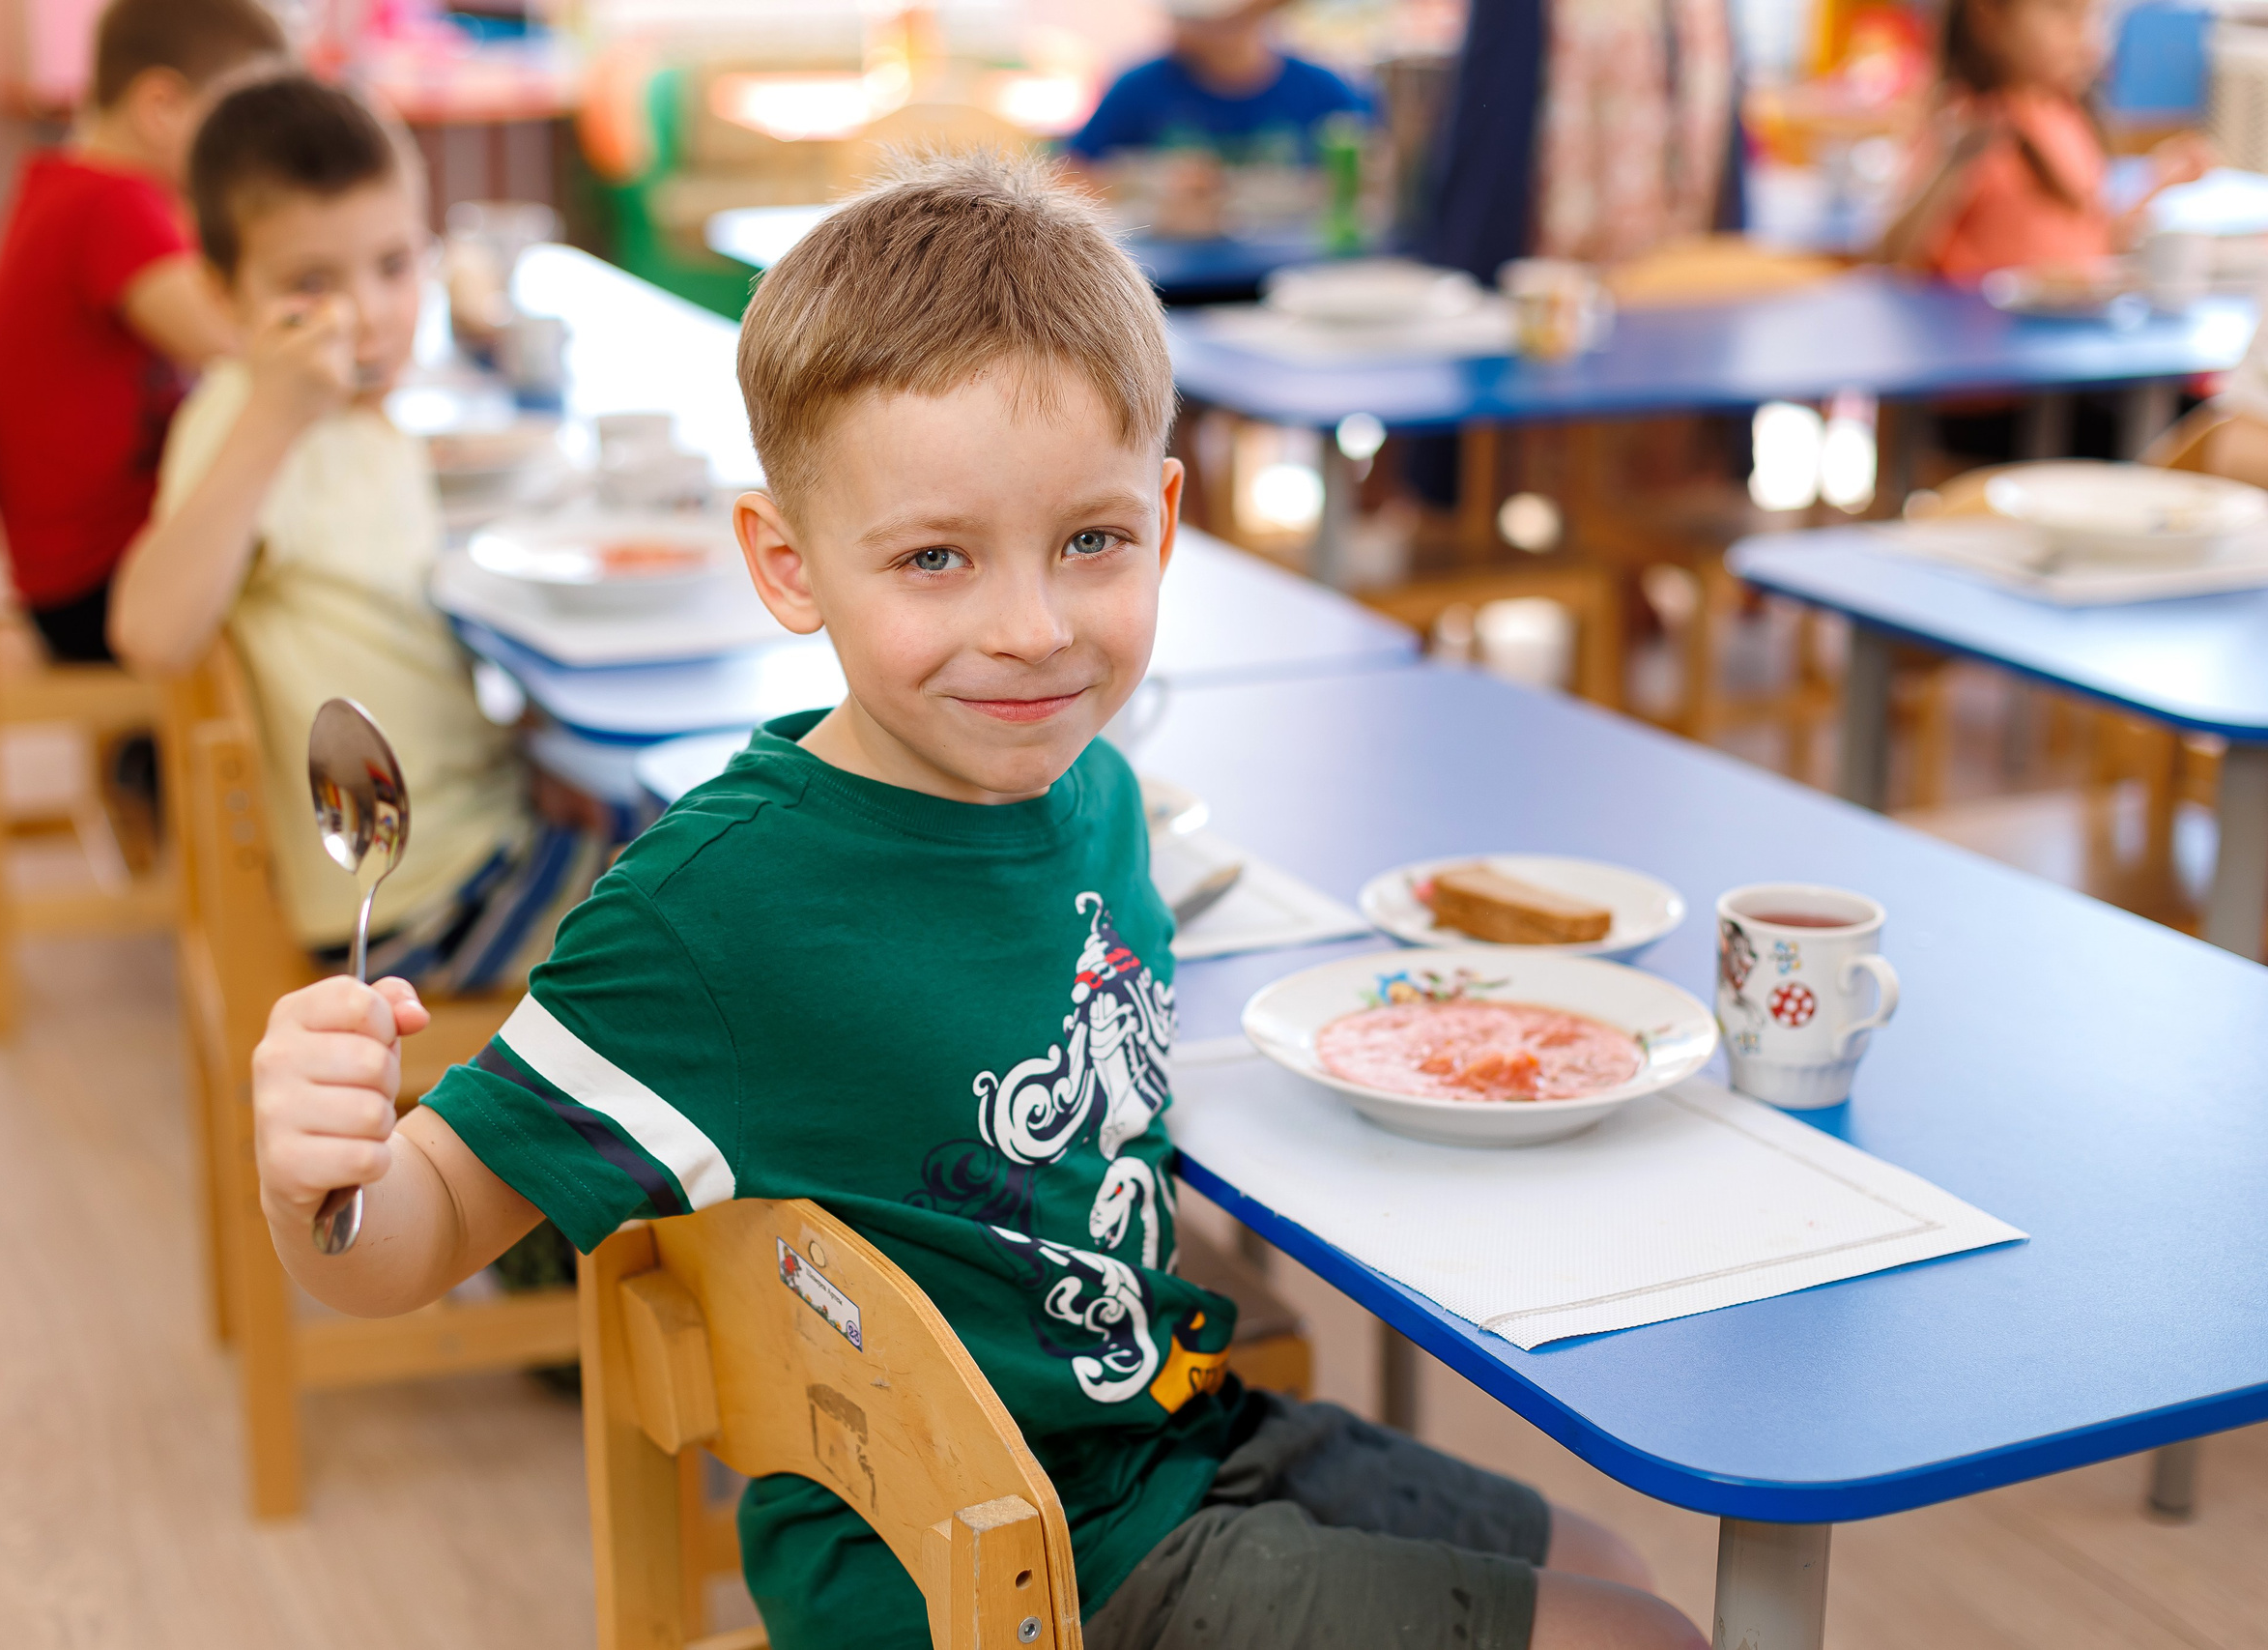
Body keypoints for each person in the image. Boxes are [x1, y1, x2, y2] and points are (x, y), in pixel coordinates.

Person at [244, 150, 1706, 1650]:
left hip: (1168, 1435)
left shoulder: (1099, 791)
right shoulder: (717, 906)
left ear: (1167, 513)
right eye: (935, 557)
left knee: (1621, 1566)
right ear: (787, 562)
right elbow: (408, 1240)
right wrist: (323, 1180)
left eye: (1091, 540)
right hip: (971, 1555)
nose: (1030, 628)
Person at [110, 74, 605, 994]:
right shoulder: (251, 424)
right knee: (715, 904)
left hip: (474, 837)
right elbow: (149, 632)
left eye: (392, 265)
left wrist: (522, 758)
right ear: (224, 296)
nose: (369, 312)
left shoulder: (360, 420)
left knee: (686, 829)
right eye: (310, 284)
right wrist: (271, 417)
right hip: (417, 906)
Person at [0, 0, 286, 664]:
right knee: (297, 576)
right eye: (238, 130)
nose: (253, 161)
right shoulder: (112, 205)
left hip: (64, 573)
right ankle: (205, 750)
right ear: (161, 106)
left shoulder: (72, 183)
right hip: (94, 591)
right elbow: (239, 345)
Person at [1879, 0, 2210, 280]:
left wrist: (2157, 182)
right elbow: (1889, 256)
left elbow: (2092, 241)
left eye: (2087, 18)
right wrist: (1950, 166)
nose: (2084, 37)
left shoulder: (2067, 115)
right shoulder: (1962, 118)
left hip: (2066, 342)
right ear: (1989, 13)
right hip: (1983, 348)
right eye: (2062, 13)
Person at [1065, 0, 1374, 170]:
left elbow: (1375, 167)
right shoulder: (1140, 87)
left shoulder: (1320, 87)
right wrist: (1146, 187)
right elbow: (1068, 176)